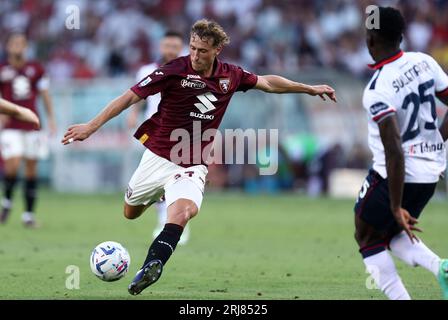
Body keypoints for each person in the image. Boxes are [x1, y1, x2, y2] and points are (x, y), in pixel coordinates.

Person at [62, 19, 336, 296]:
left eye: (202, 50)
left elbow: (267, 83)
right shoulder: (173, 70)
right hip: (157, 157)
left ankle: (151, 265)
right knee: (130, 212)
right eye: (192, 48)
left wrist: (309, 88)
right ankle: (159, 195)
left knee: (183, 213)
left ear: (217, 49)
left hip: (192, 163)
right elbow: (129, 97)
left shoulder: (232, 75)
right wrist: (91, 126)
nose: (195, 55)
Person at [354, 7, 448, 300]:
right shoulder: (424, 61)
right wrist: (438, 142)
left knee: (367, 236)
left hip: (394, 176)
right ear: (401, 36)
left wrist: (395, 204)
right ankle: (441, 267)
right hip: (429, 174)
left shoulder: (377, 88)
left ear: (370, 41)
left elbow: (394, 150)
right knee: (392, 233)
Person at [127, 31, 191, 245]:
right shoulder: (147, 70)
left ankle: (176, 221)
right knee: (157, 182)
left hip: (179, 132)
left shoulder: (188, 72)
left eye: (175, 46)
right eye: (167, 45)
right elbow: (139, 95)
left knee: (177, 178)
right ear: (161, 46)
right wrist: (134, 113)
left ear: (180, 47)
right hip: (154, 131)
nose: (170, 50)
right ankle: (166, 220)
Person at [0, 33, 57, 227]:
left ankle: (28, 215)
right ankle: (7, 203)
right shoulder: (2, 69)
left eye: (21, 44)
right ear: (8, 47)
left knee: (31, 169)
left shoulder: (36, 69)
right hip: (11, 126)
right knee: (13, 165)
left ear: (26, 47)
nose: (17, 47)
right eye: (14, 43)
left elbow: (45, 95)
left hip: (32, 123)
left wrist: (51, 119)